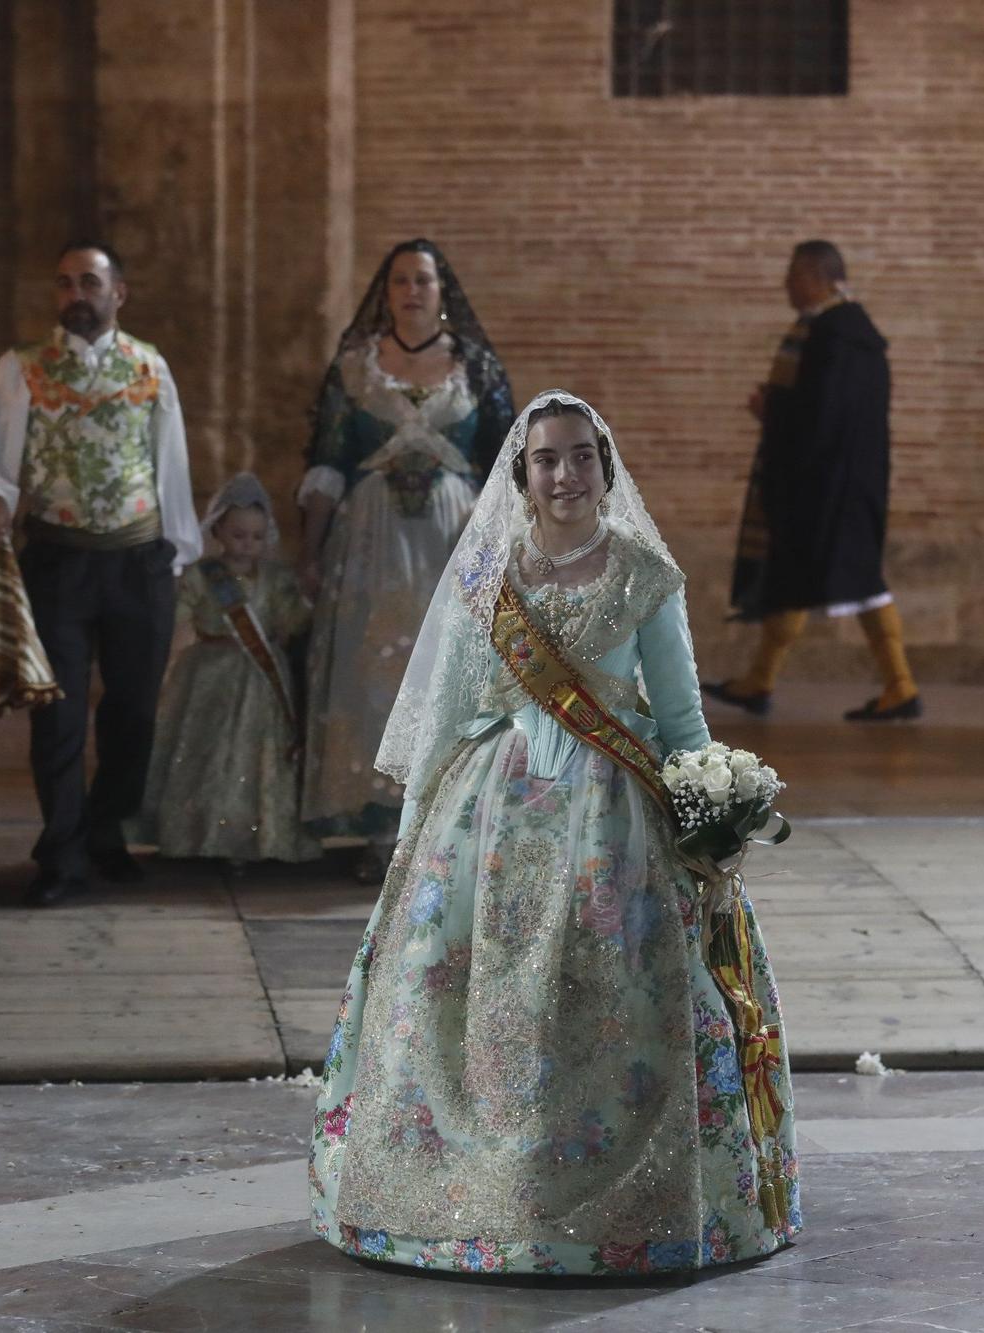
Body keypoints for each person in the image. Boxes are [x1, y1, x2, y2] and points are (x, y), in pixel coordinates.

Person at [309, 391, 801, 1275]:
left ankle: (622, 1202)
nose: (566, 473)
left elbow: (682, 718)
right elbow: (449, 711)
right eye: (548, 459)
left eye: (582, 456)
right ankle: (464, 1202)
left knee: (608, 996)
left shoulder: (645, 574)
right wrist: (410, 837)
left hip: (613, 818)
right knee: (471, 989)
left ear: (605, 469)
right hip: (487, 815)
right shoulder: (485, 576)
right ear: (522, 474)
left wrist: (713, 813)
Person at [0, 241, 201, 906]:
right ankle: (61, 852)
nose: (75, 294)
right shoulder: (22, 368)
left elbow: (169, 461)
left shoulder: (149, 367)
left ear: (120, 293)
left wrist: (177, 551)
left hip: (139, 559)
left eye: (89, 281)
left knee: (135, 710)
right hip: (58, 559)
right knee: (55, 713)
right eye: (64, 284)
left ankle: (105, 831)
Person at [296, 239, 514, 880]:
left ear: (442, 290)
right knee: (375, 672)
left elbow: (508, 465)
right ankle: (377, 824)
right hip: (371, 540)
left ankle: (447, 825)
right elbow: (327, 461)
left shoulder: (475, 366)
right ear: (385, 291)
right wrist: (308, 550)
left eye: (423, 279)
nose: (412, 291)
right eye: (400, 280)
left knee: (451, 672)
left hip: (456, 537)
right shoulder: (357, 365)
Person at [706, 239, 923, 721]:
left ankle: (899, 687)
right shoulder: (856, 332)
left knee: (835, 578)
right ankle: (763, 681)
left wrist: (772, 409)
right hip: (847, 480)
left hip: (828, 483)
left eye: (791, 277)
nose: (786, 287)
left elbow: (822, 413)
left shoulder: (832, 334)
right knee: (808, 575)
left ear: (814, 276)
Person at [129, 475, 320, 866]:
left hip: (263, 682)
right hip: (208, 676)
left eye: (255, 536)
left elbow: (289, 623)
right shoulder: (201, 576)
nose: (246, 544)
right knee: (203, 754)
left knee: (257, 755)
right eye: (237, 535)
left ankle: (255, 838)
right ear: (217, 530)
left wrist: (305, 599)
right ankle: (197, 834)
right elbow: (179, 614)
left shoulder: (276, 578)